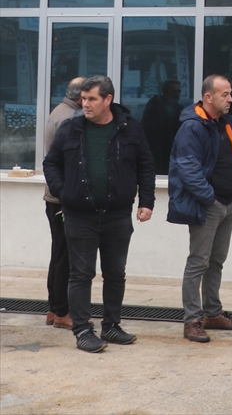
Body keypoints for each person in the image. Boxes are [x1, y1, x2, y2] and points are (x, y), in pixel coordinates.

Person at [43, 75, 155, 353]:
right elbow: (51, 163)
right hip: (79, 216)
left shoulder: (130, 129)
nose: (85, 104)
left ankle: (112, 326)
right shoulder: (70, 129)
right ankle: (83, 331)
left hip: (117, 215)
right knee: (81, 275)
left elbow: (146, 166)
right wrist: (64, 192)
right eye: (83, 99)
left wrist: (147, 201)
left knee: (115, 274)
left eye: (91, 99)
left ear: (108, 99)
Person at [168, 75, 232, 343]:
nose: (231, 99)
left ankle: (212, 313)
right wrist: (210, 199)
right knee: (198, 262)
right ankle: (192, 320)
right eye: (225, 94)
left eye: (230, 93)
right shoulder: (193, 127)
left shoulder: (224, 122)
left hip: (228, 202)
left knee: (216, 261)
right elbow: (187, 169)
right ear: (208, 97)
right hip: (210, 205)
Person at [41, 77, 85, 330]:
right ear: (80, 96)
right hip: (62, 197)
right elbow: (66, 162)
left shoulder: (60, 110)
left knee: (58, 252)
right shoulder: (69, 118)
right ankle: (62, 311)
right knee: (65, 255)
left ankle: (53, 307)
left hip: (55, 196)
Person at [141, 79, 183, 175]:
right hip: (159, 156)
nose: (177, 94)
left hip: (171, 154)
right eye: (173, 91)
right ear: (165, 92)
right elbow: (149, 135)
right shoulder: (154, 110)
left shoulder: (176, 110)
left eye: (179, 91)